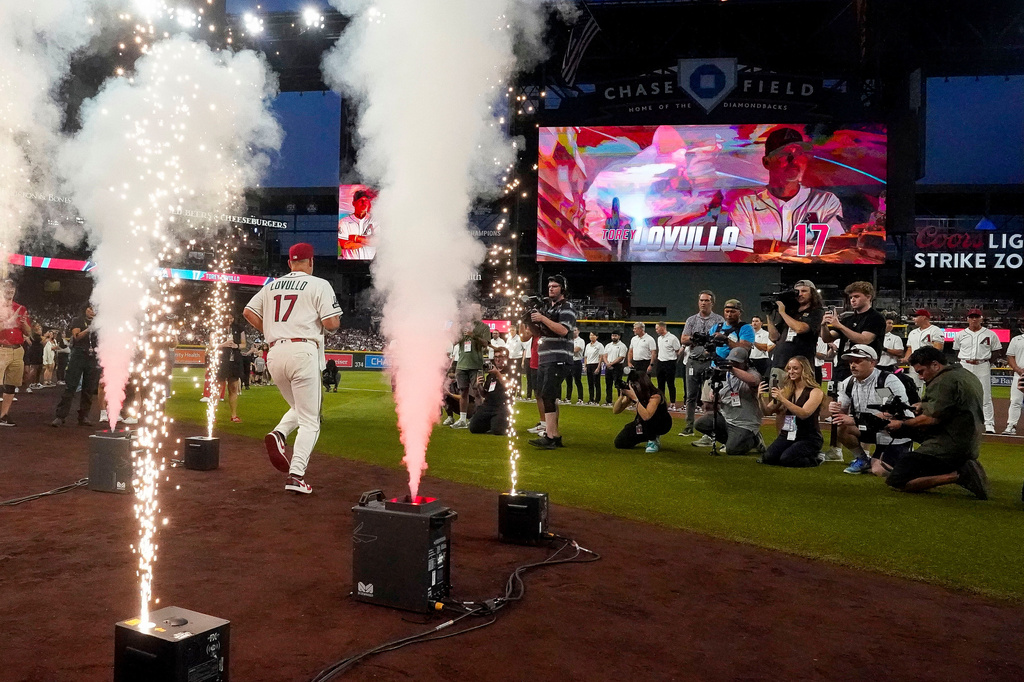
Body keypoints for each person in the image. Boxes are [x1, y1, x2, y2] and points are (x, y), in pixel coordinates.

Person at [243, 243, 342, 495]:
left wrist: (271, 331)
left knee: (299, 408)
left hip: (275, 352)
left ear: (289, 263)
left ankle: (279, 433)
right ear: (311, 262)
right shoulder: (319, 284)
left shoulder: (271, 285)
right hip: (303, 351)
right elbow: (331, 323)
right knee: (311, 420)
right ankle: (296, 475)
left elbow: (248, 312)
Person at [883, 346, 989, 499]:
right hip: (967, 439)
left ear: (935, 365)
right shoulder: (963, 374)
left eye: (921, 371)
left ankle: (957, 475)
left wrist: (902, 424)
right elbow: (952, 406)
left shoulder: (943, 381)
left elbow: (932, 418)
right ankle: (960, 465)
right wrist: (923, 406)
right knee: (910, 429)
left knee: (897, 480)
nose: (920, 377)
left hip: (950, 444)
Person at [729, 127, 845, 254]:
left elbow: (835, 248)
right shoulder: (745, 205)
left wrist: (773, 246)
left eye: (799, 153)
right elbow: (741, 255)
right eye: (784, 154)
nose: (794, 160)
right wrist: (812, 247)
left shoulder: (825, 201)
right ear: (766, 162)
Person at [827, 344, 914, 476]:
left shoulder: (884, 381)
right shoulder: (848, 383)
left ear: (872, 362)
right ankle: (862, 459)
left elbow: (890, 413)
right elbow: (841, 412)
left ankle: (903, 458)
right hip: (871, 428)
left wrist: (854, 420)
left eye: (858, 361)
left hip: (893, 433)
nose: (853, 365)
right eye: (851, 361)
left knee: (879, 470)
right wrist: (835, 409)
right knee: (841, 425)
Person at [528, 274, 576, 449]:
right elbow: (538, 332)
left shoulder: (567, 307)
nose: (551, 289)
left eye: (555, 286)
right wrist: (529, 320)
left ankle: (550, 436)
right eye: (549, 286)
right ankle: (554, 435)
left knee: (548, 395)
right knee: (546, 395)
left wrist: (542, 318)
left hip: (559, 358)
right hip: (545, 356)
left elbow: (563, 330)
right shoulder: (547, 308)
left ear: (562, 288)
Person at [693, 347, 764, 455]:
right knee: (700, 423)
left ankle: (755, 440)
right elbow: (716, 396)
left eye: (737, 363)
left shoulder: (752, 373)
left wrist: (731, 368)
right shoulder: (724, 374)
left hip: (744, 423)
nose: (734, 364)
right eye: (732, 362)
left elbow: (753, 380)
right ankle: (733, 440)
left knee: (732, 450)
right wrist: (714, 394)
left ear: (745, 362)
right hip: (726, 418)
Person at [758, 356, 824, 467]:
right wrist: (759, 398)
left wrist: (782, 399)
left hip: (808, 437)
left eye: (795, 368)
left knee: (787, 459)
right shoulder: (786, 391)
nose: (791, 372)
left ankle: (815, 458)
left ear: (804, 370)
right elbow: (767, 412)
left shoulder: (815, 392)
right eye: (789, 368)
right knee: (768, 457)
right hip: (788, 434)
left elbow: (804, 414)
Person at [821, 281, 886, 386]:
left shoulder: (875, 318)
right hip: (843, 367)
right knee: (835, 399)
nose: (852, 300)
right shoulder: (848, 319)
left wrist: (840, 326)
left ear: (868, 297)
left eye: (856, 296)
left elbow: (865, 339)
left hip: (864, 368)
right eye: (851, 297)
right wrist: (823, 325)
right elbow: (827, 339)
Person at [679, 290, 725, 435]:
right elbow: (683, 339)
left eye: (706, 300)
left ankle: (710, 428)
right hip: (693, 361)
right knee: (691, 395)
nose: (703, 303)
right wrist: (695, 338)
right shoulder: (691, 320)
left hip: (710, 361)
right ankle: (688, 427)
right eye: (701, 300)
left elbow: (722, 339)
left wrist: (709, 340)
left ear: (712, 303)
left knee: (710, 398)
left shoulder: (719, 320)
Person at [953, 309, 1001, 434]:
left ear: (981, 318)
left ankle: (989, 423)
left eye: (976, 317)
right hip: (965, 363)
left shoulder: (990, 334)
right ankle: (962, 422)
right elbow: (956, 350)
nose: (974, 319)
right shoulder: (960, 334)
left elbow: (996, 351)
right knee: (962, 394)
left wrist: (987, 363)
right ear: (967, 319)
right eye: (971, 317)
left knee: (985, 395)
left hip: (982, 364)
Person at [52, 304, 101, 428]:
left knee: (89, 388)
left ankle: (84, 416)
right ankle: (60, 416)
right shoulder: (77, 320)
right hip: (79, 354)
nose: (91, 311)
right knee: (71, 386)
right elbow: (76, 337)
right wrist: (89, 329)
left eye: (94, 309)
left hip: (93, 356)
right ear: (85, 309)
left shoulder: (101, 322)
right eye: (89, 308)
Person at [766, 280, 824, 374]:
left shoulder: (816, 311)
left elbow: (800, 328)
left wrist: (782, 312)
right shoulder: (791, 312)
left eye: (804, 291)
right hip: (780, 363)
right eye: (797, 291)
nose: (800, 294)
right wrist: (769, 316)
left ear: (813, 293)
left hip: (801, 366)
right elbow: (774, 337)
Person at [612, 366, 672, 453]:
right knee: (620, 442)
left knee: (648, 421)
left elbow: (647, 416)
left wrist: (635, 398)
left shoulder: (655, 396)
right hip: (643, 422)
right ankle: (646, 436)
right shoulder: (635, 394)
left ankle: (653, 440)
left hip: (660, 423)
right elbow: (616, 411)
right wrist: (622, 396)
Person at [451, 303, 491, 429]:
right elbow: (454, 341)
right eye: (471, 309)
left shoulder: (484, 327)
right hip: (462, 364)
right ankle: (463, 419)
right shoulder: (463, 326)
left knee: (478, 391)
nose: (473, 312)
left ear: (480, 312)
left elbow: (486, 344)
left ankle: (478, 418)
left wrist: (474, 336)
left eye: (476, 310)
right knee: (463, 392)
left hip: (476, 364)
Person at [0, 280, 31, 427]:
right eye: (6, 287)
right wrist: (8, 323)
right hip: (1, 348)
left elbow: (29, 332)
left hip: (17, 349)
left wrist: (24, 324)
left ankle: (4, 415)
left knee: (11, 384)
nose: (10, 290)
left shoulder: (21, 308)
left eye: (12, 287)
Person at [469, 347, 510, 435]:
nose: (498, 359)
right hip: (488, 405)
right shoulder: (491, 374)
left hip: (502, 405)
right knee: (473, 428)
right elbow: (484, 394)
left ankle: (501, 422)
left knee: (498, 431)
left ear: (506, 358)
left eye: (500, 357)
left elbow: (509, 386)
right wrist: (479, 385)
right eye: (496, 357)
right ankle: (492, 422)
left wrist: (498, 374)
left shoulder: (510, 371)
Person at [214, 311, 246, 423]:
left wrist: (236, 345)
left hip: (235, 361)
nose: (229, 320)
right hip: (222, 361)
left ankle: (234, 415)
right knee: (218, 388)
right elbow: (211, 344)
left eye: (231, 318)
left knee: (233, 388)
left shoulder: (238, 328)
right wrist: (223, 345)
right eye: (227, 318)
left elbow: (244, 344)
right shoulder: (217, 328)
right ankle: (212, 414)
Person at [902, 309, 945, 391]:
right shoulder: (913, 332)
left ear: (924, 317)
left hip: (928, 365)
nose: (914, 319)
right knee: (915, 388)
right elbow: (910, 348)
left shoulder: (935, 330)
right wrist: (906, 358)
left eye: (916, 316)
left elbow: (938, 349)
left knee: (932, 387)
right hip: (915, 365)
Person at [337, 188, 376, 260]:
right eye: (361, 200)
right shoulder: (344, 222)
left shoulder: (374, 220)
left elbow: (378, 242)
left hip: (370, 263)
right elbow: (345, 245)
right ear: (354, 203)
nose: (364, 203)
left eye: (366, 200)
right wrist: (368, 242)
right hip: (349, 264)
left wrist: (355, 238)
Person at [653, 323, 682, 410]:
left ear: (662, 328)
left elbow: (678, 351)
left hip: (670, 362)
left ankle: (673, 403)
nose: (656, 330)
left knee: (670, 384)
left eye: (657, 328)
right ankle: (662, 403)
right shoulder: (659, 338)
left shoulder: (672, 338)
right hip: (660, 362)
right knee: (660, 384)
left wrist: (674, 361)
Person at [1004, 328, 1024, 435]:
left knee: (1015, 401)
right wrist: (1017, 369)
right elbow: (1010, 356)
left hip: (1020, 374)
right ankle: (1011, 425)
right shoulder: (1016, 339)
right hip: (1020, 374)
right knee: (1015, 400)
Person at [602, 331, 628, 406]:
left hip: (617, 366)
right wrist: (607, 363)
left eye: (615, 335)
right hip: (608, 365)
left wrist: (611, 363)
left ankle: (620, 401)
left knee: (618, 385)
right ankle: (608, 401)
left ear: (619, 336)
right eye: (613, 335)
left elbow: (621, 357)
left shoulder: (622, 346)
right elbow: (605, 355)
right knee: (608, 384)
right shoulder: (608, 345)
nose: (614, 337)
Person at [563, 327, 585, 405]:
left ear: (578, 331)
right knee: (568, 381)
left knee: (577, 381)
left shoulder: (581, 341)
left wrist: (568, 349)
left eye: (575, 330)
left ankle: (580, 399)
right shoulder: (569, 340)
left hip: (576, 361)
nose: (574, 332)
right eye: (572, 330)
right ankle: (568, 398)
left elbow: (576, 349)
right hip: (569, 361)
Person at [584, 331, 604, 405]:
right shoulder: (588, 345)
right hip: (589, 364)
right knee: (590, 383)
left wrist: (598, 367)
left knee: (597, 383)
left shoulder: (599, 345)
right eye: (590, 335)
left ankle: (597, 400)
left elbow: (601, 357)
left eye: (593, 335)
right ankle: (591, 399)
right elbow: (585, 356)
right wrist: (585, 365)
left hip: (595, 364)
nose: (591, 336)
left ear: (597, 337)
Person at [23, 322, 44, 391]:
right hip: (33, 353)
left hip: (37, 352)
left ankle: (32, 384)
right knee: (32, 369)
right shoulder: (33, 335)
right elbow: (42, 341)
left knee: (37, 368)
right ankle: (29, 384)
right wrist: (47, 336)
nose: (39, 327)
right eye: (37, 326)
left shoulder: (35, 335)